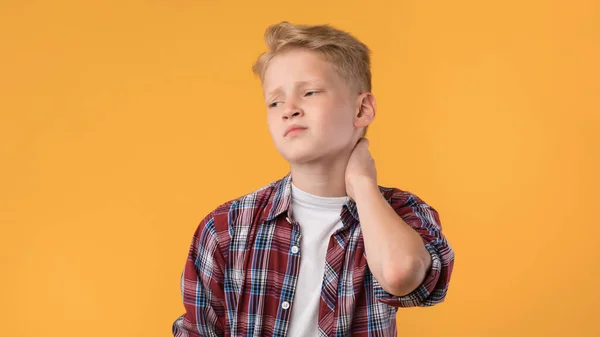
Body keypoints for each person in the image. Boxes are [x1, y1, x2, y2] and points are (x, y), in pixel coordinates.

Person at [172, 21, 454, 337]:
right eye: (274, 101)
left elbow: (401, 275)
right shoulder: (226, 228)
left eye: (309, 92)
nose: (288, 109)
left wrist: (362, 183)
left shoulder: (403, 214)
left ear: (361, 109)